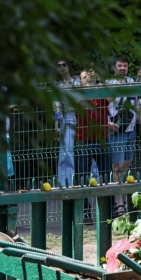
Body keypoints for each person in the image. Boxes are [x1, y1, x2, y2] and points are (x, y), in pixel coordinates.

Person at [106, 56, 141, 214]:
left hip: (131, 130)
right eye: (120, 65)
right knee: (117, 167)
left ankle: (124, 199)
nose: (123, 68)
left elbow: (136, 103)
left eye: (125, 66)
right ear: (114, 67)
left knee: (127, 165)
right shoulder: (109, 83)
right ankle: (119, 203)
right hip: (116, 130)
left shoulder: (131, 80)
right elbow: (104, 103)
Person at [76, 69, 113, 223]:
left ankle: (107, 211)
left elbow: (112, 96)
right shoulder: (78, 95)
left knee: (107, 176)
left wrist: (100, 79)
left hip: (101, 140)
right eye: (84, 78)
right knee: (82, 178)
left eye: (90, 77)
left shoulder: (100, 93)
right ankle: (85, 214)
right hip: (83, 141)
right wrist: (86, 85)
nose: (88, 79)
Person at [54, 59, 80, 188]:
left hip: (82, 116)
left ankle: (92, 179)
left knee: (87, 148)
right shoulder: (58, 86)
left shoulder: (77, 81)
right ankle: (65, 183)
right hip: (68, 117)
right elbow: (57, 108)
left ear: (68, 67)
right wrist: (56, 126)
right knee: (66, 152)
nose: (62, 67)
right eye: (59, 65)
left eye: (64, 64)